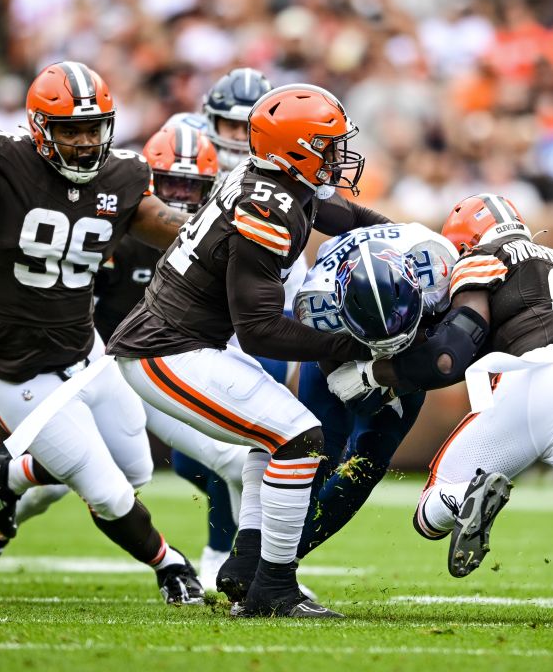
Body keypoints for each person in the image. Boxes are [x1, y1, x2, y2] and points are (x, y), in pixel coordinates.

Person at [0, 64, 203, 605]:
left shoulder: (126, 173)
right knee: (106, 491)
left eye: (94, 128)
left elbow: (165, 225)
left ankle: (6, 481)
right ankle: (171, 565)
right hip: (7, 363)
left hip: (83, 352)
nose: (85, 143)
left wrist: (227, 226)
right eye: (70, 130)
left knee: (132, 471)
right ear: (40, 128)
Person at [105, 84, 391, 618]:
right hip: (168, 349)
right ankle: (274, 591)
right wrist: (351, 344)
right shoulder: (269, 203)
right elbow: (259, 330)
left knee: (279, 435)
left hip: (189, 342)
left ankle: (246, 566)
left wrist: (409, 237)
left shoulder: (277, 181)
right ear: (296, 150)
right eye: (327, 146)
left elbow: (346, 218)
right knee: (298, 438)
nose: (338, 157)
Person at [327, 194, 553, 628]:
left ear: (464, 242)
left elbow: (451, 355)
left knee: (429, 511)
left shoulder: (482, 258)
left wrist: (375, 373)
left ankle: (468, 495)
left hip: (531, 378)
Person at [291, 222, 458, 559]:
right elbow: (347, 389)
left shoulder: (438, 268)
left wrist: (388, 374)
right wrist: (368, 375)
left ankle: (281, 564)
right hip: (347, 353)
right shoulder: (317, 304)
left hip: (413, 352)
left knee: (366, 465)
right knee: (313, 457)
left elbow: (455, 353)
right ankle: (263, 559)